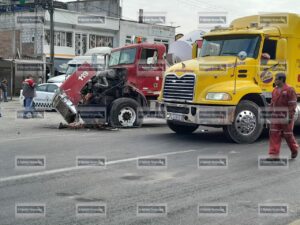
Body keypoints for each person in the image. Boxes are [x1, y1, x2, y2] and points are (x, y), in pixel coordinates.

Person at [268, 73, 298, 159]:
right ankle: (274, 155)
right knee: (274, 134)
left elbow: (292, 105)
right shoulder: (274, 90)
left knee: (288, 135)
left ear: (281, 80)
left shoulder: (290, 90)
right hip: (276, 117)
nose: (275, 81)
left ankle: (294, 149)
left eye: (276, 79)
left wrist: (289, 116)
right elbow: (272, 104)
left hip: (286, 116)